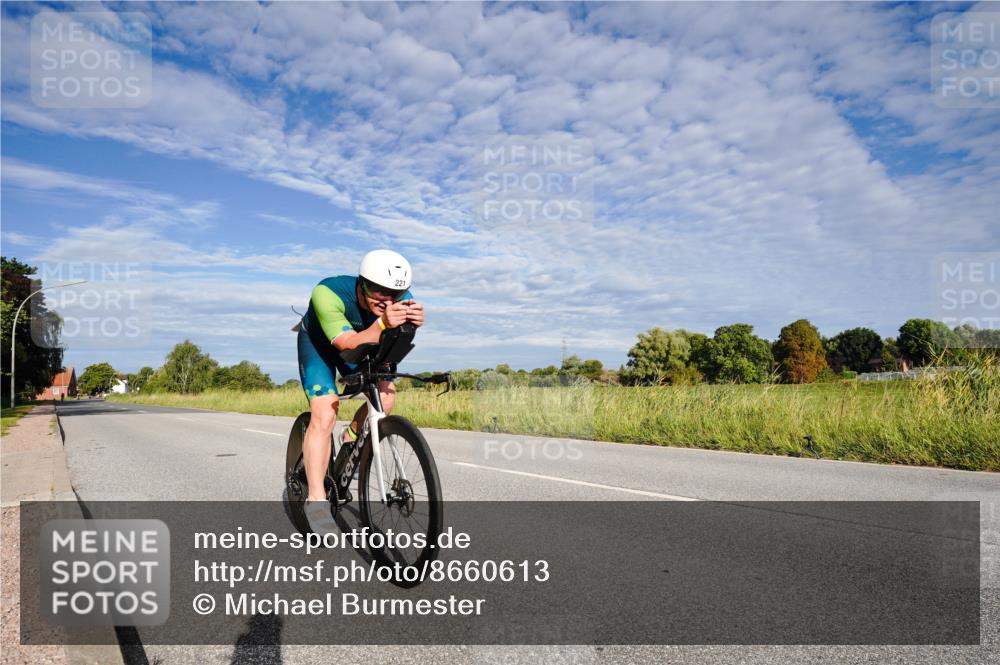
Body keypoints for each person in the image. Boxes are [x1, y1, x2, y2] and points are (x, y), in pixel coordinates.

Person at [296, 250, 424, 526]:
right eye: (379, 291)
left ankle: (352, 435)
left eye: (395, 293)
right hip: (321, 346)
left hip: (365, 342)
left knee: (385, 398)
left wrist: (409, 327)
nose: (387, 299)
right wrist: (383, 323)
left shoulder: (402, 300)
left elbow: (389, 347)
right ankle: (316, 500)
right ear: (362, 283)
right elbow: (345, 344)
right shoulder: (327, 292)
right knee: (325, 411)